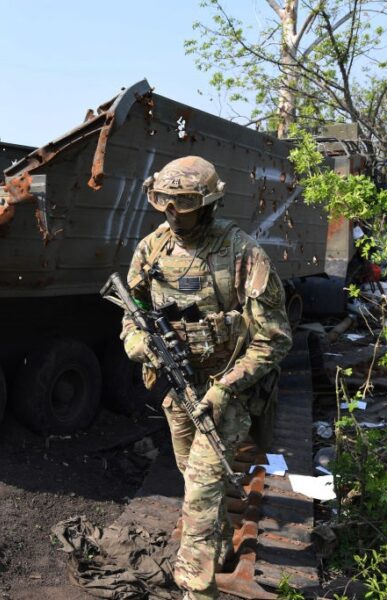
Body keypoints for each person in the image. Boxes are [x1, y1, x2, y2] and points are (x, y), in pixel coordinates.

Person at [120, 156, 293, 600]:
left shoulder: (241, 253)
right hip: (179, 389)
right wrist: (141, 345)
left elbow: (273, 339)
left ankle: (196, 588)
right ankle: (217, 547)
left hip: (227, 390)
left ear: (208, 203)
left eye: (185, 203)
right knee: (192, 475)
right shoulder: (151, 250)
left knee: (198, 492)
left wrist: (223, 388)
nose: (174, 213)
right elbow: (131, 315)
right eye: (165, 203)